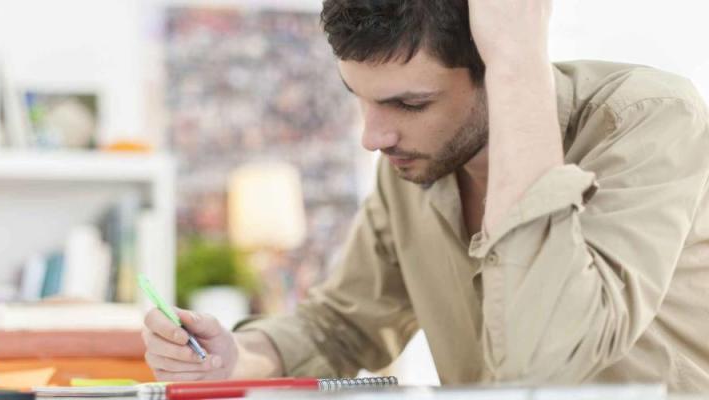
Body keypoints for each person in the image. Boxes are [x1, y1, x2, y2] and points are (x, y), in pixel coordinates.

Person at [142, 0, 709, 391]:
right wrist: (239, 357)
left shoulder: (649, 121)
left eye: (410, 105)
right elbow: (342, 324)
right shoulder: (416, 163)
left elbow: (545, 367)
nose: (373, 137)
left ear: (497, 64)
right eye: (360, 99)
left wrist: (520, 62)